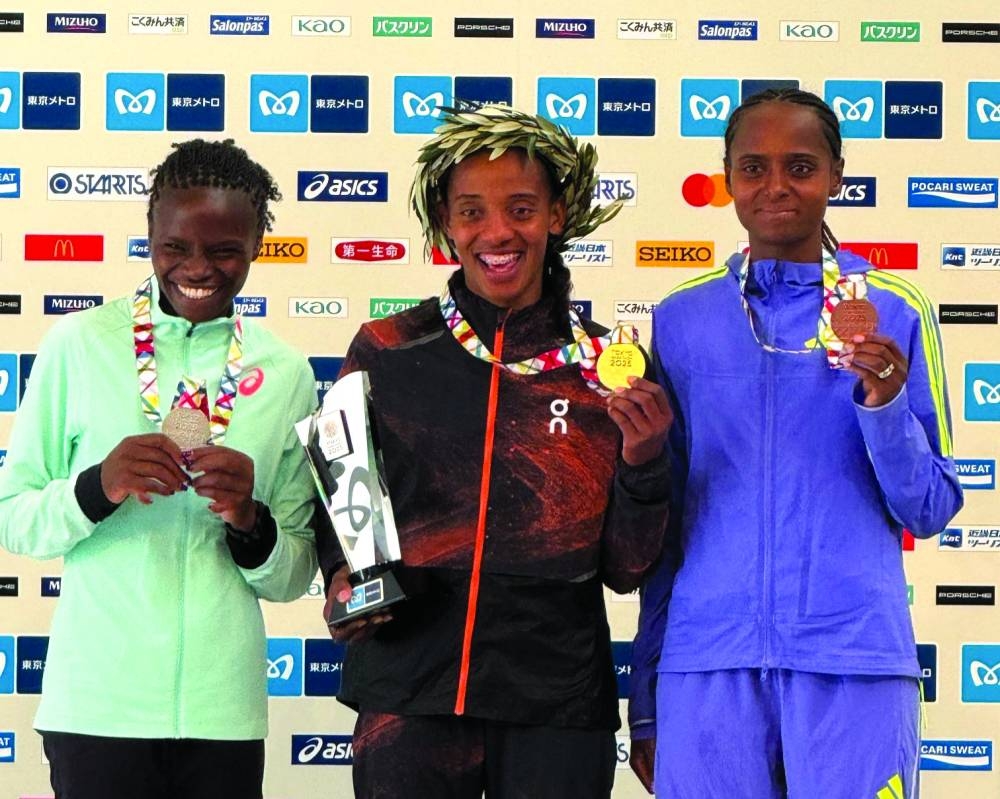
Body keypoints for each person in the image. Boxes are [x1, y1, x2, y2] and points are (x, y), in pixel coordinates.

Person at [316, 105, 672, 799]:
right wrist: (342, 585)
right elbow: (342, 510)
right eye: (472, 210)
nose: (498, 232)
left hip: (556, 701)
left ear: (558, 215)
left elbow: (626, 569)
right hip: (407, 691)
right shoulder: (387, 349)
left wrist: (644, 462)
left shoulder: (605, 367)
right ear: (446, 222)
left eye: (520, 207)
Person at [628, 88, 963, 798]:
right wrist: (649, 694)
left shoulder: (895, 310)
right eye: (753, 167)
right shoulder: (682, 319)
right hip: (707, 662)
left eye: (801, 166)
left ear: (838, 174)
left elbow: (929, 506)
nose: (776, 186)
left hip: (855, 661)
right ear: (728, 177)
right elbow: (663, 526)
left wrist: (885, 404)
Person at [0, 139, 319, 799]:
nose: (198, 267)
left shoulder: (284, 373)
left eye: (225, 249)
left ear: (257, 243)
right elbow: (14, 516)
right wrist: (98, 486)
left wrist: (248, 521)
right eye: (176, 246)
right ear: (150, 235)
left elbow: (295, 573)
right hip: (97, 705)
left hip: (222, 713)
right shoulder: (80, 345)